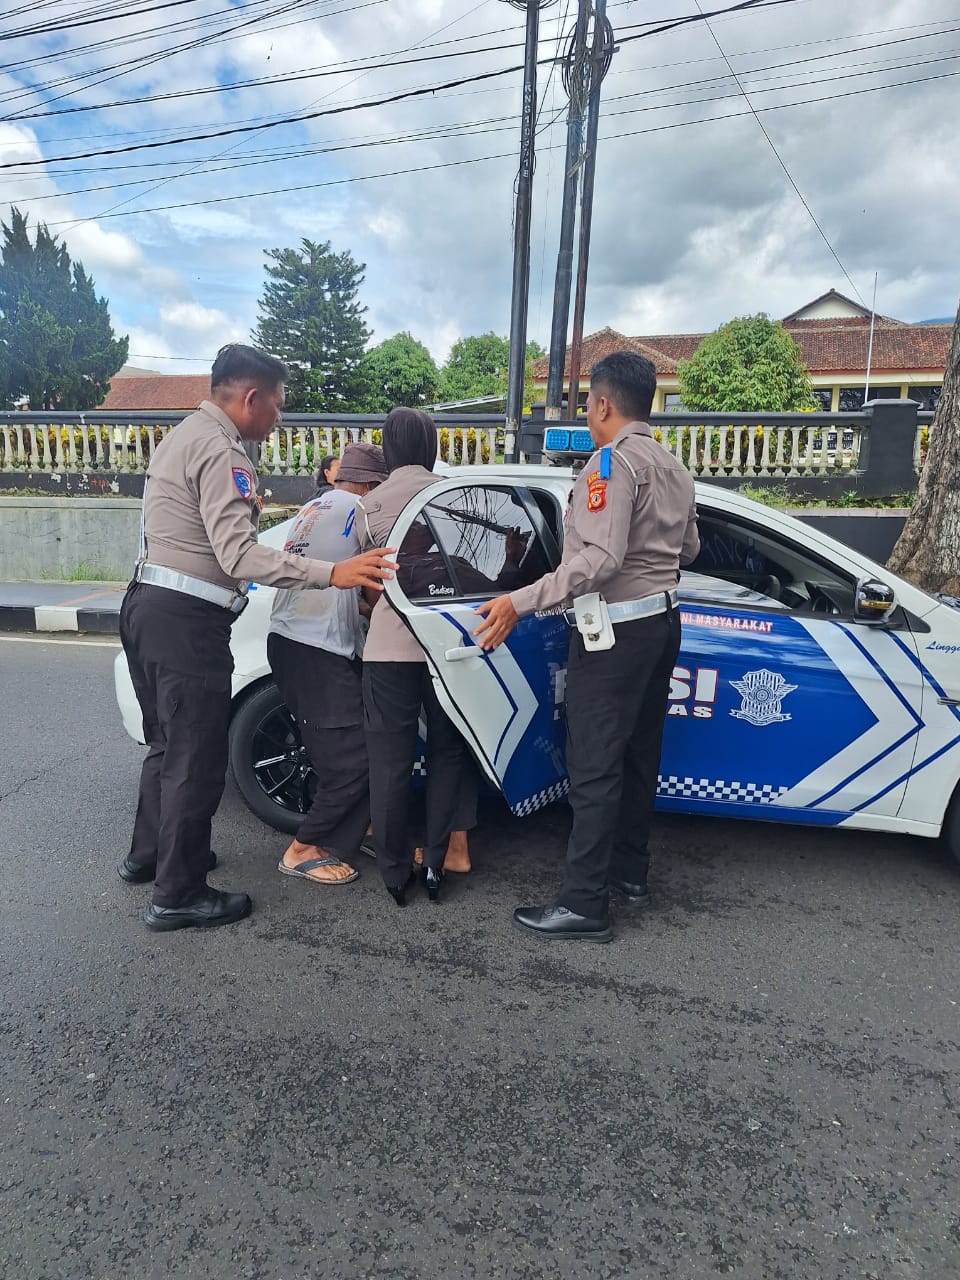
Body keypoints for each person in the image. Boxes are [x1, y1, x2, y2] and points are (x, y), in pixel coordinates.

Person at [118, 344, 395, 932]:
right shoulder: (223, 452)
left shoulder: (182, 434)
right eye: (278, 404)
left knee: (167, 746)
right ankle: (179, 894)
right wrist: (333, 573)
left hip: (148, 606)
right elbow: (238, 553)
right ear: (251, 398)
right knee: (196, 756)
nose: (279, 417)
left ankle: (153, 857)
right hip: (186, 620)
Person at [474, 352, 700, 943]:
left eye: (588, 404)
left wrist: (519, 600)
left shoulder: (611, 462)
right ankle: (628, 873)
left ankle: (584, 904)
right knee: (638, 755)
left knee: (594, 765)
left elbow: (598, 560)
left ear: (602, 404)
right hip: (660, 627)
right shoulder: (674, 468)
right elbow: (691, 549)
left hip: (614, 633)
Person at [357, 407, 479, 906]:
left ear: (388, 449)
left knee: (390, 760)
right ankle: (434, 864)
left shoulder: (369, 504)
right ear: (430, 445)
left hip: (387, 645)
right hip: (447, 646)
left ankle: (391, 872)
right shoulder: (450, 495)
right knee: (449, 751)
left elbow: (363, 581)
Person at [268, 442, 388, 889]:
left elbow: (338, 586)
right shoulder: (363, 511)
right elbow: (377, 588)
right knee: (354, 757)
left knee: (357, 743)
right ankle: (303, 848)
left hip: (291, 640)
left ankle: (364, 827)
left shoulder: (315, 506)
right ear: (374, 485)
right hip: (314, 649)